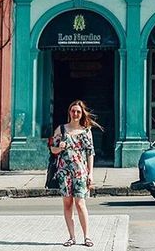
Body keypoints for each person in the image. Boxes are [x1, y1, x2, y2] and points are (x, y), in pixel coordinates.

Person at [50, 100, 102, 247]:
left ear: (82, 113)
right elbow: (52, 150)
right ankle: (72, 237)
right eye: (73, 111)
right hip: (64, 172)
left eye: (78, 111)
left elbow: (90, 153)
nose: (75, 114)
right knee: (67, 204)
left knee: (80, 203)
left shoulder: (86, 131)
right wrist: (59, 147)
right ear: (69, 112)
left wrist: (90, 173)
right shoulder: (61, 129)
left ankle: (87, 237)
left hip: (80, 172)